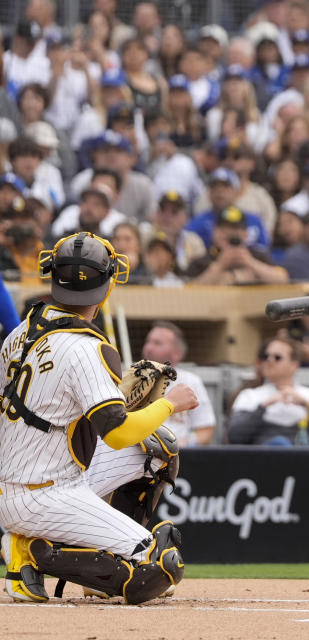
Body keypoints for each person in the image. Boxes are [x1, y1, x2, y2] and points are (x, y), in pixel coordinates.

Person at [0, 232, 198, 604]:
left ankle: (76, 559)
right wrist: (171, 404)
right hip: (44, 494)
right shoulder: (88, 347)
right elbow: (119, 434)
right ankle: (29, 554)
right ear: (107, 285)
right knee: (159, 567)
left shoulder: (19, 332)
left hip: (33, 479)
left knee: (157, 450)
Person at [226, 337, 309, 446]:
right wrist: (264, 406)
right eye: (266, 356)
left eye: (277, 357)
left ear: (294, 365)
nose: (269, 361)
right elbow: (235, 436)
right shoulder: (249, 396)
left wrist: (307, 405)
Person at [141, 322, 217, 446]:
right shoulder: (129, 379)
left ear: (177, 353)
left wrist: (181, 444)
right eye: (148, 341)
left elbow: (205, 431)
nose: (149, 347)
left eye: (157, 343)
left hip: (176, 457)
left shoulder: (191, 382)